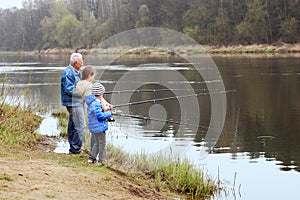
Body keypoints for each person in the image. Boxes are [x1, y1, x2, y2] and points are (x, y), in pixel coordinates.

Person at [60, 52, 86, 154]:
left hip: (76, 102)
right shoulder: (68, 73)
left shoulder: (75, 72)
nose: (82, 63)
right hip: (73, 103)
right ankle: (75, 149)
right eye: (81, 61)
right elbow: (69, 89)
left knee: (73, 125)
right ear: (75, 63)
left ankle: (73, 148)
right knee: (81, 126)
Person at [85, 82, 112, 165]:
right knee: (102, 144)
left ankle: (91, 158)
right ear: (100, 94)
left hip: (94, 127)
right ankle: (101, 161)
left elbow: (98, 112)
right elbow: (100, 116)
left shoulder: (91, 102)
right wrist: (109, 113)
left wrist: (107, 109)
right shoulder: (97, 104)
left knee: (97, 143)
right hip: (99, 127)